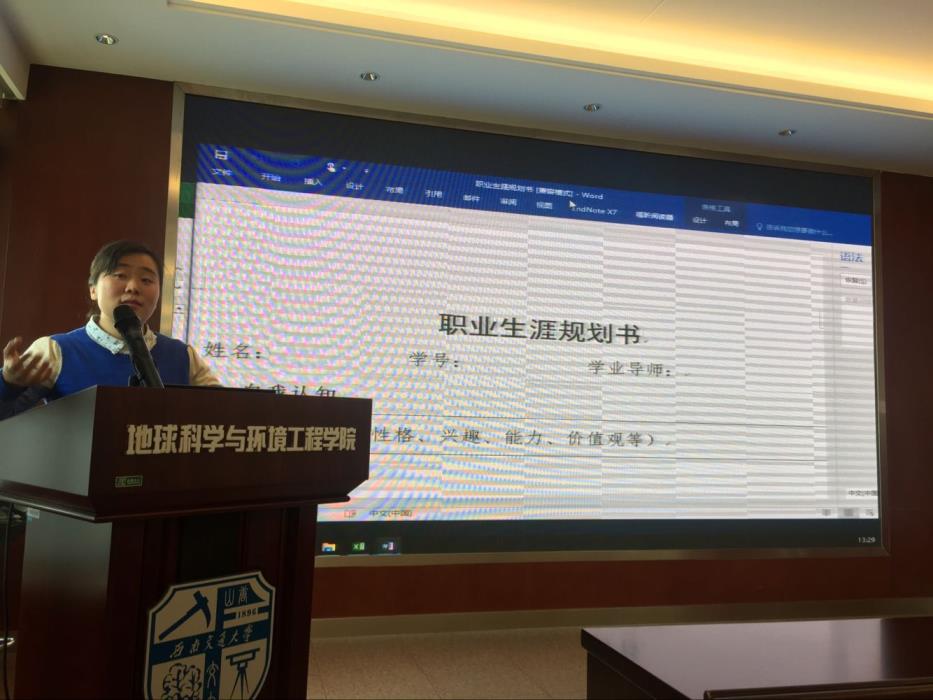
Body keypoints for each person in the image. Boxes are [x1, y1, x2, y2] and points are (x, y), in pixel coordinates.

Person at [0, 240, 219, 416]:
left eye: (146, 280)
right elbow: (7, 415)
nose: (133, 287)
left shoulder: (182, 355)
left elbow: (224, 414)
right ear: (93, 290)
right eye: (120, 275)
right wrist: (8, 383)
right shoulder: (55, 350)